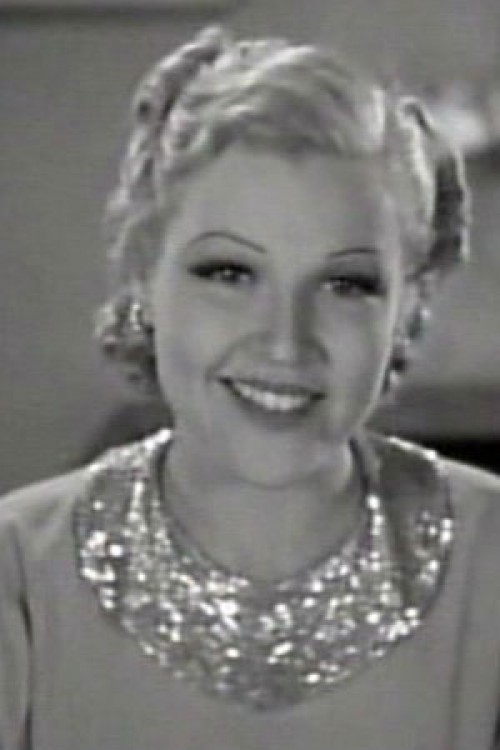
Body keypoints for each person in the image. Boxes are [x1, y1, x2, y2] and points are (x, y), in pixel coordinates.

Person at [1, 25, 499, 750]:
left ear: (407, 308)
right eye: (229, 273)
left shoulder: (490, 562)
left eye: (345, 284)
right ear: (143, 277)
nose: (285, 341)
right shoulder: (19, 573)